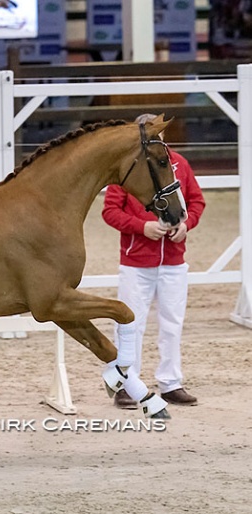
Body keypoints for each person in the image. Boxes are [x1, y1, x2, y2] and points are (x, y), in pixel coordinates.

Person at [102, 113, 206, 410]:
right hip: (137, 261)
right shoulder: (126, 170)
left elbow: (196, 201)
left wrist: (186, 225)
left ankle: (171, 382)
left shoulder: (180, 165)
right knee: (132, 325)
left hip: (173, 259)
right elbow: (110, 212)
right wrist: (141, 227)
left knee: (172, 323)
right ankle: (127, 384)